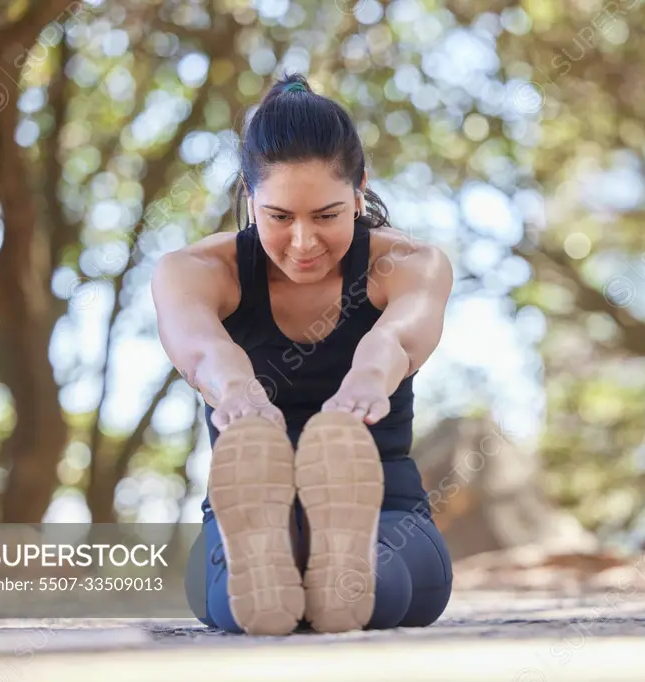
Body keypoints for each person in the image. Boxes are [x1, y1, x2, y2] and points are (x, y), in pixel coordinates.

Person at [152, 73, 455, 636]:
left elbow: (398, 337)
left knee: (363, 589)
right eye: (279, 217)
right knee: (249, 602)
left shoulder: (413, 263)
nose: (303, 242)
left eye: (326, 216)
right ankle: (278, 552)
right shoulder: (193, 272)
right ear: (249, 195)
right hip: (244, 520)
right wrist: (240, 394)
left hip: (385, 509)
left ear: (361, 188)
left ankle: (336, 558)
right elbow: (203, 349)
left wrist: (367, 380)